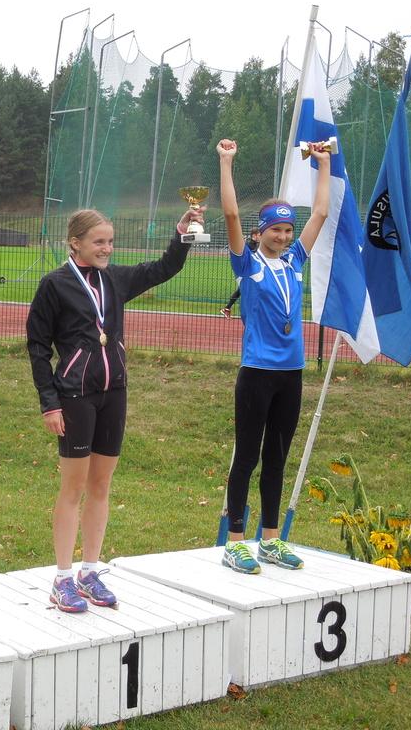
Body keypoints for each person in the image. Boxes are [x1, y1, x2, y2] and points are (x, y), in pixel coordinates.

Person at [27, 202, 204, 612]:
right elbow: (37, 348)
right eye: (99, 242)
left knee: (101, 486)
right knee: (73, 488)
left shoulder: (115, 279)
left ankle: (89, 571)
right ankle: (62, 578)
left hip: (114, 392)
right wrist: (49, 403)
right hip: (74, 396)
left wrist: (182, 234)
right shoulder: (54, 285)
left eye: (110, 241)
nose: (107, 248)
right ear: (75, 243)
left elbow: (164, 269)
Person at [216, 137, 330, 574]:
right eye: (275, 230)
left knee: (277, 458)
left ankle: (270, 539)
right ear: (258, 232)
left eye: (287, 230)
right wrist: (227, 162)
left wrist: (322, 164)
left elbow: (320, 213)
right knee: (247, 457)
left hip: (291, 374)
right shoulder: (247, 264)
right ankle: (235, 542)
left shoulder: (295, 260)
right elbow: (230, 214)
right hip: (257, 373)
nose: (282, 236)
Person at [220, 227, 259, 318]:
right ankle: (229, 308)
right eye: (259, 235)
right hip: (246, 272)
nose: (261, 237)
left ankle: (227, 308)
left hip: (251, 272)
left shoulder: (255, 245)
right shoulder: (249, 245)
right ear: (254, 236)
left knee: (242, 291)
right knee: (244, 291)